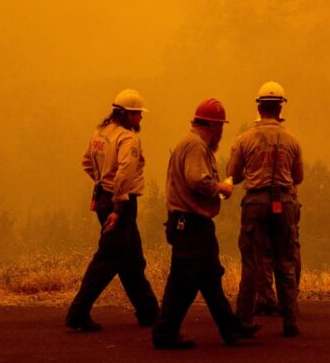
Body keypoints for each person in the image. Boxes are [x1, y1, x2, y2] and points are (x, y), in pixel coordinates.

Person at [152, 98, 259, 349]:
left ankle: (230, 328)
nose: (222, 131)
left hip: (195, 224)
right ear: (211, 125)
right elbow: (197, 180)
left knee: (210, 279)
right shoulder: (196, 146)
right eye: (220, 126)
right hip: (190, 224)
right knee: (182, 282)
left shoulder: (191, 143)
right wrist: (221, 187)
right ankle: (164, 334)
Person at [65, 89, 159, 332]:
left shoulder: (100, 133)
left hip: (104, 198)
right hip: (121, 203)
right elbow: (126, 172)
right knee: (107, 260)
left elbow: (86, 162)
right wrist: (118, 205)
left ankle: (149, 312)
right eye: (138, 114)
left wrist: (102, 183)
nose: (141, 118)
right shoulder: (128, 139)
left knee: (132, 260)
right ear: (127, 115)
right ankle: (78, 313)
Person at [228, 81, 303, 337]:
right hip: (284, 202)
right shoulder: (292, 140)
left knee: (252, 263)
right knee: (285, 262)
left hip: (255, 203)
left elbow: (234, 175)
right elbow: (299, 177)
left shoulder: (244, 139)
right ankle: (290, 321)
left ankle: (244, 320)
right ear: (280, 108)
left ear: (259, 107)